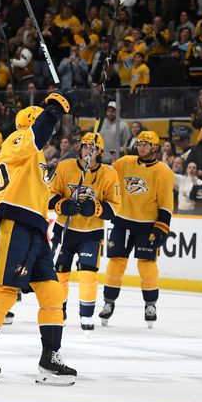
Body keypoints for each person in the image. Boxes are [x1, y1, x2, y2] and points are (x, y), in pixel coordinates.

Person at [0, 89, 79, 386]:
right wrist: (52, 109)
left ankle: (50, 358)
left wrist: (63, 204)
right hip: (11, 225)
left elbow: (43, 195)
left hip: (35, 230)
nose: (50, 134)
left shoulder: (37, 157)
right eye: (45, 125)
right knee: (4, 290)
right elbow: (38, 133)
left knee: (53, 293)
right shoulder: (17, 141)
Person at [101, 131, 174, 328]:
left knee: (147, 266)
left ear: (155, 148)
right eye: (140, 143)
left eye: (146, 144)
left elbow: (166, 203)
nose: (141, 147)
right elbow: (105, 174)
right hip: (123, 221)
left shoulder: (164, 172)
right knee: (115, 264)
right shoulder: (125, 162)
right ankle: (108, 302)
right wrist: (96, 159)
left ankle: (150, 305)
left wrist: (162, 227)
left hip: (147, 225)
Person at [49, 132, 121, 332]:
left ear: (100, 151)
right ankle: (58, 310)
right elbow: (49, 195)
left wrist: (96, 209)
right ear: (80, 148)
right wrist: (62, 205)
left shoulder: (109, 173)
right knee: (60, 274)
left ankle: (86, 314)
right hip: (65, 230)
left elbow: (115, 207)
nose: (89, 150)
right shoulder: (64, 167)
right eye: (85, 146)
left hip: (91, 231)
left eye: (93, 147)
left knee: (88, 274)